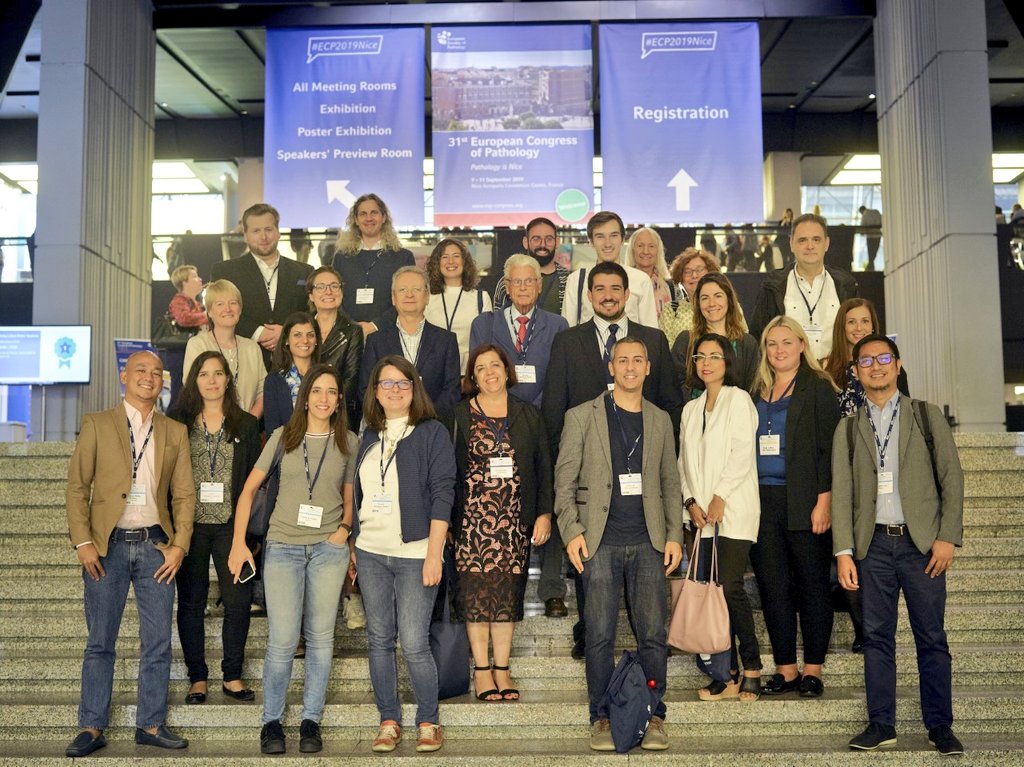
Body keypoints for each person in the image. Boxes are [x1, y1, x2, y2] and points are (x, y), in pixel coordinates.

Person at [832, 334, 965, 755]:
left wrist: (947, 537)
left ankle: (940, 726)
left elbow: (952, 479)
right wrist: (844, 551)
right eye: (867, 361)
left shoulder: (925, 416)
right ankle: (881, 724)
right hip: (873, 548)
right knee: (876, 638)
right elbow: (842, 492)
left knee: (931, 637)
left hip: (921, 546)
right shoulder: (849, 426)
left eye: (884, 358)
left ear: (898, 364)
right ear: (855, 372)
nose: (876, 366)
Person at [554, 336, 682, 751]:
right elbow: (564, 482)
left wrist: (675, 535)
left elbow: (669, 482)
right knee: (599, 636)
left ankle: (654, 714)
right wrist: (572, 531)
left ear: (648, 368)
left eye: (637, 360)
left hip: (649, 541)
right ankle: (601, 716)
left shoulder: (660, 419)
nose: (629, 366)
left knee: (652, 634)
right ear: (611, 367)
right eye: (621, 360)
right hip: (598, 542)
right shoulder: (580, 416)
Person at [64, 351, 194, 757]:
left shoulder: (174, 431)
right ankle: (91, 726)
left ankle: (151, 724)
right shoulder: (98, 424)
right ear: (124, 375)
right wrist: (84, 542)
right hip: (108, 548)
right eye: (141, 370)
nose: (149, 378)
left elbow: (186, 495)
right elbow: (77, 488)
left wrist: (180, 546)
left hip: (157, 548)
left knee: (157, 643)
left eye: (157, 373)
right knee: (100, 641)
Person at [542, 260, 682, 639]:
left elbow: (670, 403)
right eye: (600, 289)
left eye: (615, 289)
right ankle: (589, 633)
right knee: (592, 559)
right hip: (590, 471)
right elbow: (555, 406)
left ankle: (649, 642)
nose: (607, 295)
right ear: (589, 296)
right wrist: (562, 470)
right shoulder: (568, 341)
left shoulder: (652, 340)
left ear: (627, 294)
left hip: (643, 471)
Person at [228, 365, 358, 755]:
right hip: (283, 547)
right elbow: (249, 490)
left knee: (320, 639)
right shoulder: (284, 437)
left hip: (327, 549)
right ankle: (271, 721)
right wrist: (238, 543)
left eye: (330, 392)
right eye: (315, 391)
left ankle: (310, 720)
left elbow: (349, 497)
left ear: (338, 400)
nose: (322, 398)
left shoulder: (349, 441)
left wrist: (344, 531)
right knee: (283, 640)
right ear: (305, 397)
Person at [351, 355, 456, 754]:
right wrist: (355, 546)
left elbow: (444, 493)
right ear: (375, 392)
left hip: (415, 554)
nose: (394, 390)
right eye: (386, 384)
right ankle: (389, 719)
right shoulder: (367, 437)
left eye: (403, 384)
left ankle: (428, 720)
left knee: (413, 642)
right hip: (372, 552)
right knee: (379, 640)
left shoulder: (432, 433)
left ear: (415, 389)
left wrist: (434, 554)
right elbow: (360, 495)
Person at [445, 344, 553, 702]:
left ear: (508, 371)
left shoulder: (527, 414)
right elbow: (446, 472)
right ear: (472, 377)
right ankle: (481, 671)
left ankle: (502, 670)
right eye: (481, 368)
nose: (489, 372)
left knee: (506, 597)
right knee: (476, 598)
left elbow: (543, 467)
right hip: (471, 522)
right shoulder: (458, 414)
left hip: (512, 523)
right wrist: (444, 518)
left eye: (495, 365)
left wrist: (543, 512)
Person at [749, 316, 840, 698]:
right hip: (761, 503)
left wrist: (825, 501)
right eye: (772, 343)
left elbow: (829, 450)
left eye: (787, 342)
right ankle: (786, 670)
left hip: (805, 499)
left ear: (802, 345)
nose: (779, 350)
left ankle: (813, 669)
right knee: (773, 587)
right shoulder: (756, 389)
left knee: (813, 586)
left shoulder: (818, 388)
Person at [168, 352, 261, 706]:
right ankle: (197, 678)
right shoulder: (177, 422)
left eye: (218, 373)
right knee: (191, 603)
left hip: (230, 526)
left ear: (227, 379)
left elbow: (255, 483)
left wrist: (249, 537)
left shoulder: (247, 424)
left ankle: (232, 675)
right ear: (194, 380)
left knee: (238, 601)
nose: (211, 380)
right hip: (188, 526)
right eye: (203, 374)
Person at [677, 334, 762, 703]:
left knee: (729, 587)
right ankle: (724, 675)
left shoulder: (738, 400)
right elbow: (682, 464)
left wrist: (719, 496)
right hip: (701, 517)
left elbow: (743, 452)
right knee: (707, 591)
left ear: (727, 363)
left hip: (733, 510)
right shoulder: (690, 409)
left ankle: (753, 668)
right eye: (701, 357)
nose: (707, 362)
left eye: (715, 356)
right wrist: (692, 501)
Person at [211, 203, 315, 369]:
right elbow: (217, 313)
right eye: (256, 231)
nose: (263, 237)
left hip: (293, 364)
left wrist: (288, 332)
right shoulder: (225, 271)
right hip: (241, 364)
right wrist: (259, 333)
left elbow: (311, 313)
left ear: (278, 232)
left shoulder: (304, 271)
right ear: (245, 235)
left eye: (268, 229)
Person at [749, 213, 859, 359]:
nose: (810, 246)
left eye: (816, 239)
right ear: (791, 244)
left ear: (826, 244)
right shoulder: (772, 286)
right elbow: (758, 337)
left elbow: (858, 335)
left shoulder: (846, 285)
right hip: (789, 378)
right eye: (802, 240)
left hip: (836, 377)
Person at [358, 266, 461, 414]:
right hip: (388, 426)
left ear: (427, 297)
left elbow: (452, 391)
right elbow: (366, 390)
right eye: (402, 290)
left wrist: (425, 417)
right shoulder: (376, 341)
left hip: (432, 426)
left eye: (416, 290)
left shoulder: (446, 340)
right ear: (393, 298)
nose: (409, 295)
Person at [469, 254, 568, 407]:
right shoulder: (483, 324)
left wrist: (532, 413)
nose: (523, 287)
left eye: (529, 281)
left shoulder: (558, 326)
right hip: (496, 414)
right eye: (516, 282)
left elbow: (560, 379)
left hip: (543, 416)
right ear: (507, 287)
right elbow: (478, 374)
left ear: (539, 285)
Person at [331, 193, 415, 336]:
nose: (368, 218)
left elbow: (407, 299)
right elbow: (333, 296)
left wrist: (375, 325)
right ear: (356, 220)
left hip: (390, 334)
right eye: (363, 214)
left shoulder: (403, 257)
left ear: (383, 218)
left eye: (374, 213)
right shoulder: (341, 258)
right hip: (347, 335)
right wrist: (352, 327)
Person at [184, 279, 265, 419]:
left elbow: (263, 392)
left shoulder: (252, 348)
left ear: (240, 309)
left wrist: (248, 424)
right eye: (220, 304)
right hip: (209, 430)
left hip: (247, 431)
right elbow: (192, 387)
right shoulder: (198, 344)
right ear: (209, 311)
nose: (228, 309)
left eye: (233, 303)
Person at [561, 211, 657, 328]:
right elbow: (568, 331)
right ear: (591, 242)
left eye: (613, 236)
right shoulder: (576, 280)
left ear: (622, 239)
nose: (608, 244)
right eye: (600, 236)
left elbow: (650, 331)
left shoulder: (641, 280)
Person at [671, 273, 759, 396]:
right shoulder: (686, 341)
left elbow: (753, 390)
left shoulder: (747, 344)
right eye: (705, 298)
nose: (711, 303)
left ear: (729, 300)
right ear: (698, 304)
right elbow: (674, 387)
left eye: (718, 296)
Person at [823, 298, 910, 417]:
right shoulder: (825, 368)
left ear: (873, 326)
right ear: (842, 327)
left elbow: (905, 410)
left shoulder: (890, 365)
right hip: (840, 434)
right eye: (851, 322)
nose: (859, 328)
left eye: (865, 321)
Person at [423, 238, 492, 373]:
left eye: (456, 256)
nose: (451, 262)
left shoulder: (481, 298)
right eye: (444, 257)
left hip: (469, 375)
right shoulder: (427, 297)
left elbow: (487, 343)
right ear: (437, 263)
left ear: (465, 262)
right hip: (434, 373)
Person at [307, 266, 363, 431]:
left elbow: (350, 381)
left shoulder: (353, 330)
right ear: (311, 295)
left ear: (341, 291)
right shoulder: (300, 327)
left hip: (339, 415)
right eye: (321, 287)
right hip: (302, 412)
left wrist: (326, 407)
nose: (328, 291)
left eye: (334, 286)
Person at [493, 217, 570, 314]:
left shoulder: (569, 280)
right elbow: (498, 323)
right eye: (536, 239)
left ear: (557, 242)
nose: (543, 244)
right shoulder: (508, 281)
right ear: (526, 242)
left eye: (549, 239)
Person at [263, 311, 322, 435]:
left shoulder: (326, 376)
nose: (305, 341)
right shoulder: (274, 380)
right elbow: (272, 430)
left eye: (310, 335)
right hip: (288, 449)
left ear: (316, 340)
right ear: (286, 340)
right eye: (297, 335)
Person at [624, 226, 676, 317]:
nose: (645, 251)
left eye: (651, 246)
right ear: (632, 250)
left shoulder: (670, 287)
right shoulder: (623, 283)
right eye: (640, 246)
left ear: (658, 250)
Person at [858, 206, 883, 271]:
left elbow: (862, 226)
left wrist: (862, 233)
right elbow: (881, 222)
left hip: (870, 236)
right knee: (874, 253)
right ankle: (870, 267)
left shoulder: (865, 214)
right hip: (878, 235)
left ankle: (870, 268)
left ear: (861, 211)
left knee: (871, 253)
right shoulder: (876, 211)